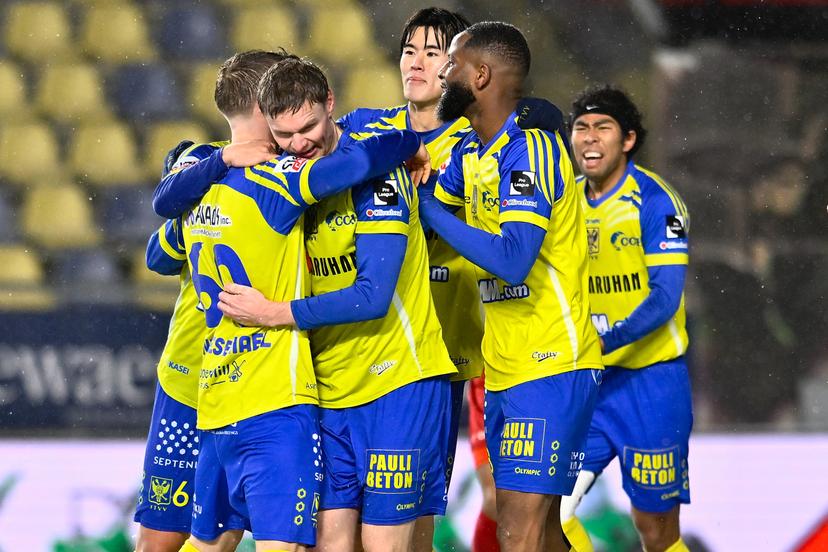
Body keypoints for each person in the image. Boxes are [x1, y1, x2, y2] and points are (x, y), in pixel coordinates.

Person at [156, 55, 426, 550]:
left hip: (213, 398)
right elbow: (360, 162)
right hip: (276, 399)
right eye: (286, 132)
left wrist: (216, 161)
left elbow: (158, 246)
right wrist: (410, 142)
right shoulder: (278, 182)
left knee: (202, 542)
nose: (298, 144)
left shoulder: (196, 176)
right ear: (266, 114)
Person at [418, 21, 604, 552]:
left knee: (517, 532)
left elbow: (514, 260)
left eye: (450, 63)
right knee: (540, 534)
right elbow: (426, 217)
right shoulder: (473, 155)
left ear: (479, 75)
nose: (440, 72)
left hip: (551, 362)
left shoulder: (534, 150)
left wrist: (429, 205)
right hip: (505, 367)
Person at [133, 49, 294, 552]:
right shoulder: (209, 165)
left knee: (213, 534)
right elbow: (159, 254)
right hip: (203, 378)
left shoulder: (276, 172)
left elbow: (159, 252)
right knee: (174, 533)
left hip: (243, 381)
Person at [559, 85, 692, 552]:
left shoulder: (656, 202)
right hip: (587, 386)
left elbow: (665, 299)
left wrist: (606, 341)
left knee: (655, 531)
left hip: (651, 385)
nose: (589, 139)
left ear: (628, 140)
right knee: (551, 513)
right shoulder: (561, 202)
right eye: (581, 128)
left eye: (602, 128)